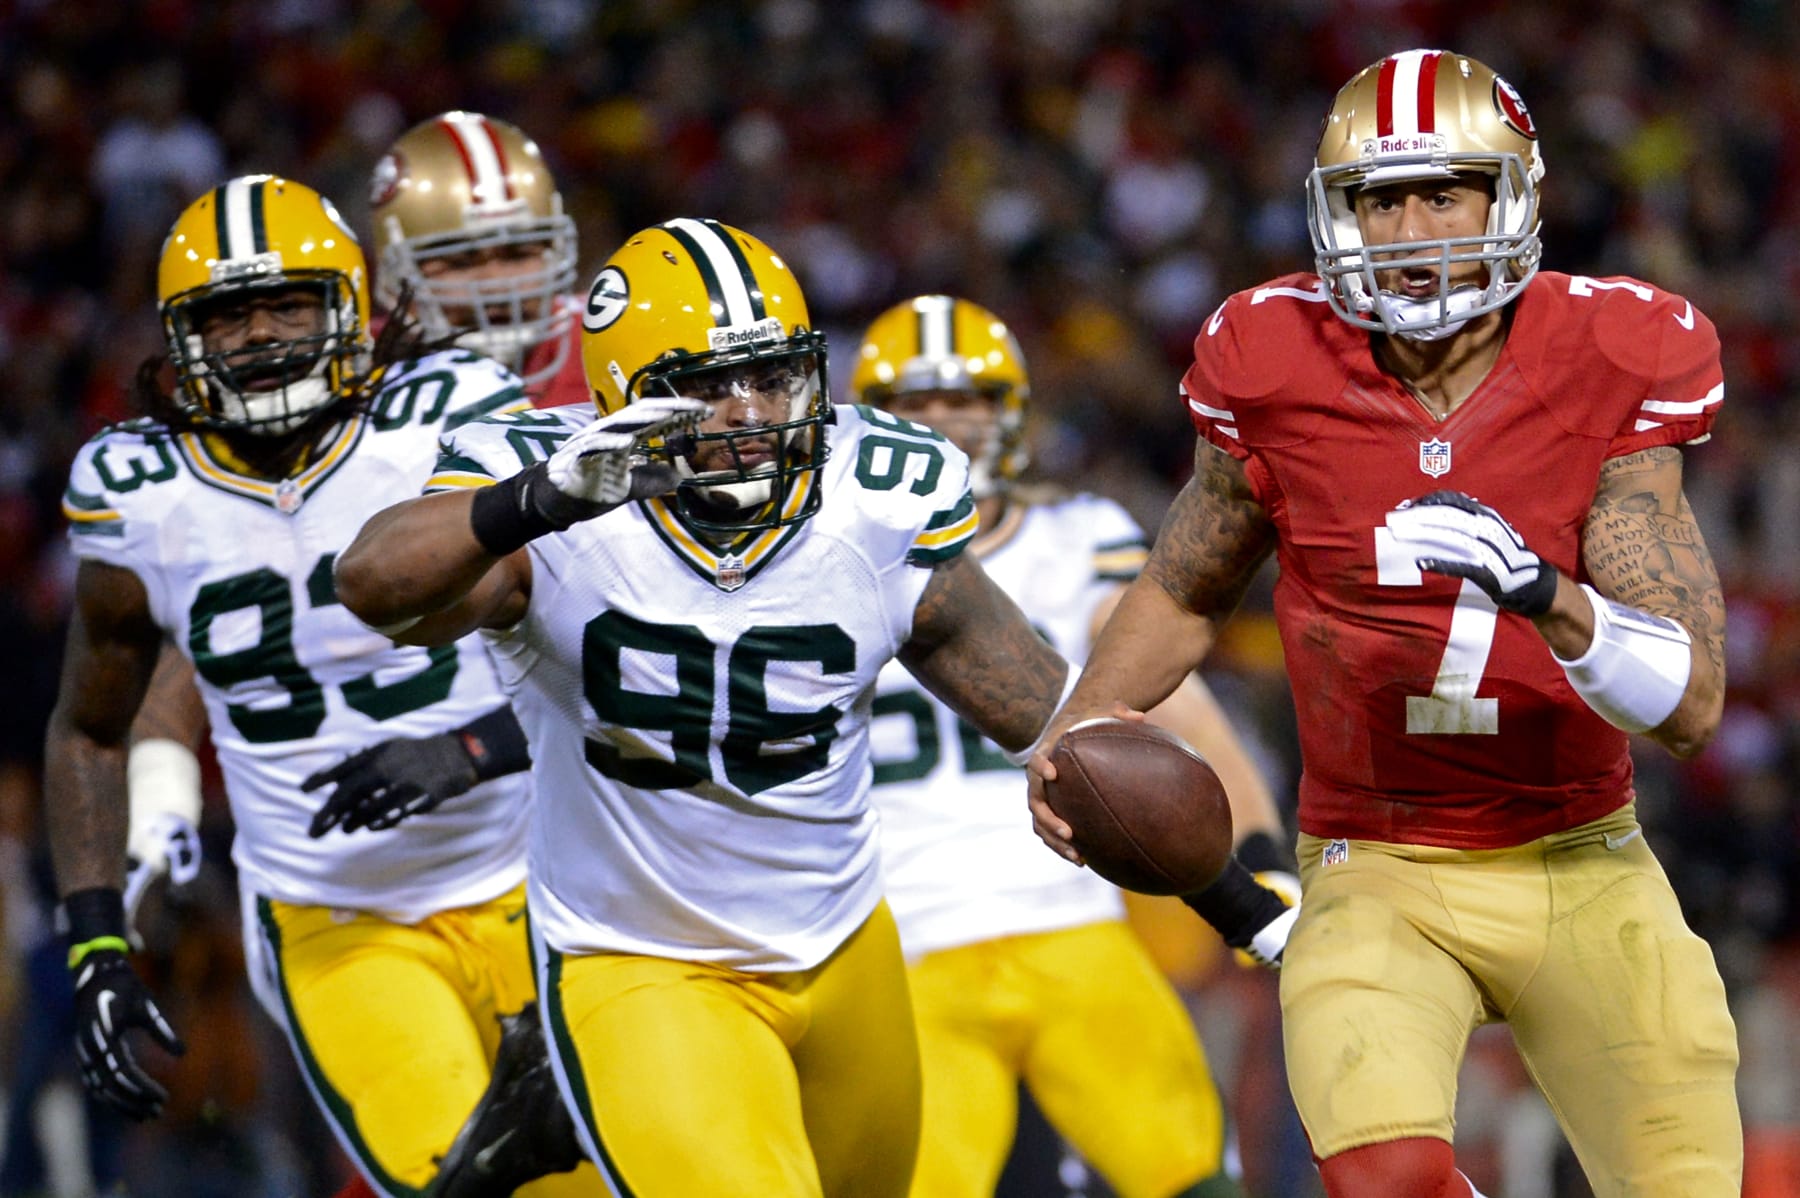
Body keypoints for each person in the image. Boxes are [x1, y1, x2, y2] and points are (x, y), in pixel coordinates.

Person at [330, 217, 1279, 1198]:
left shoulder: (871, 496)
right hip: (641, 958)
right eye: (708, 386)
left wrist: (1243, 907)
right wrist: (537, 500)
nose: (750, 412)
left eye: (773, 376)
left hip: (845, 947)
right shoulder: (547, 495)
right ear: (622, 396)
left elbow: (1060, 730)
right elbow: (374, 585)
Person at [1027, 49, 1741, 1197]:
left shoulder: (1608, 353)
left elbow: (1692, 704)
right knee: (1385, 1173)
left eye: (1443, 193)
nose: (1410, 230)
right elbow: (1185, 586)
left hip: (1578, 855)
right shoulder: (1272, 359)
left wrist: (1548, 598)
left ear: (1512, 198)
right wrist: (1084, 719)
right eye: (1380, 199)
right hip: (1374, 860)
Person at [43, 174, 595, 1198]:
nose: (259, 335)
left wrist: (469, 748)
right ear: (180, 337)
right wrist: (96, 941)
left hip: (548, 874)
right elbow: (90, 728)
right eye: (228, 315)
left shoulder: (449, 414)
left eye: (288, 304)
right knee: (463, 1175)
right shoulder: (139, 491)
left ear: (349, 306)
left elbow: (610, 650)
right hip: (335, 913)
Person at [852, 295, 1294, 1198]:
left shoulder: (1076, 538)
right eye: (915, 404)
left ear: (1013, 412)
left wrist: (1262, 864)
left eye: (966, 399)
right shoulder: (830, 555)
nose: (943, 424)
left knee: (1191, 1175)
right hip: (905, 945)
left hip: (1068, 922)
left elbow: (1185, 711)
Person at [368, 109, 589, 407]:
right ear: (396, 273)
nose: (496, 284)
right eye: (460, 261)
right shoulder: (355, 371)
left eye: (518, 255)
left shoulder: (612, 340)